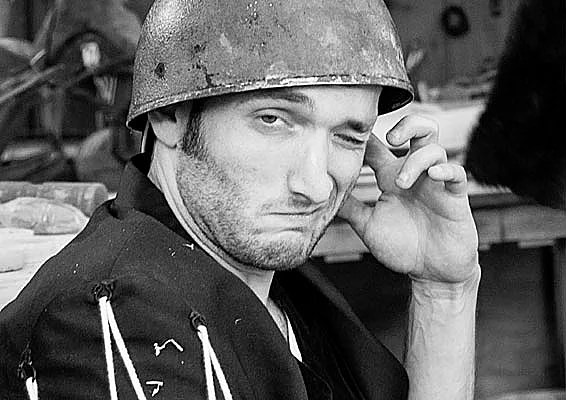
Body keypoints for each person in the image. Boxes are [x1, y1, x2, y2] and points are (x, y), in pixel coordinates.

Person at [0, 0, 481, 399]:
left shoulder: (277, 285)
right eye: (273, 120)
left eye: (348, 137)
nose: (315, 185)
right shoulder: (109, 321)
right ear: (170, 116)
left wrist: (445, 292)